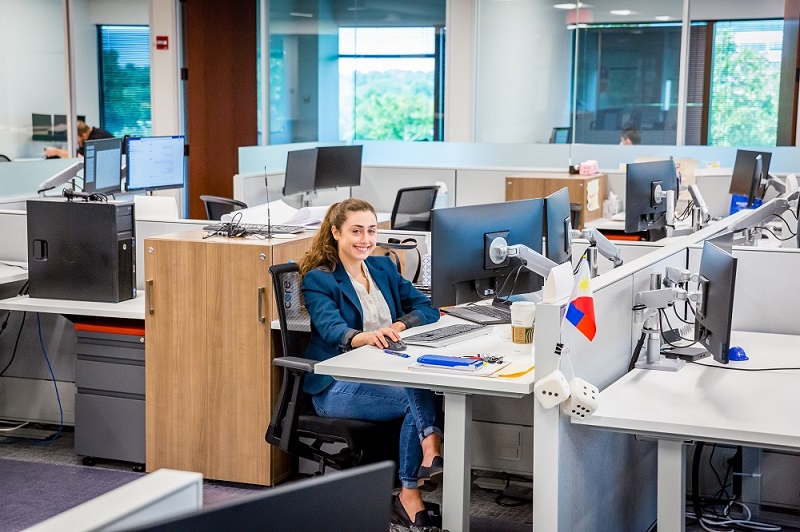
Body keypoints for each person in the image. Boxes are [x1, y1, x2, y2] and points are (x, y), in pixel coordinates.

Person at [299, 198, 444, 528]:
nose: (365, 239)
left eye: (371, 231)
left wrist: (399, 326)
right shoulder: (320, 280)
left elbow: (428, 307)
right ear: (335, 233)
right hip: (336, 384)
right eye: (356, 231)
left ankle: (413, 485)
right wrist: (363, 337)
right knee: (414, 399)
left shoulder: (383, 268)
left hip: (383, 371)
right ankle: (423, 464)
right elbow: (331, 328)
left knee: (425, 380)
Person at [45, 120, 114, 158]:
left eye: (77, 139)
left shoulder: (96, 139)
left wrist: (57, 152)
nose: (76, 142)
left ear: (84, 135)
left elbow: (80, 157)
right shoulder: (92, 134)